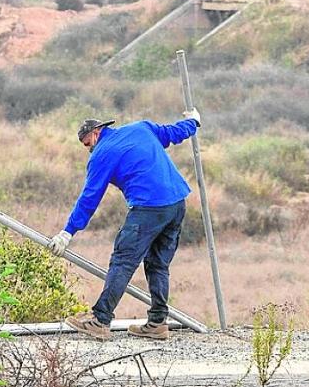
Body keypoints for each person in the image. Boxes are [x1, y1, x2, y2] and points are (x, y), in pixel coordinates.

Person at [48, 112, 200, 341]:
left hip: (148, 207)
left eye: (87, 144)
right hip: (177, 203)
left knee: (123, 261)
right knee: (158, 264)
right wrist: (193, 121)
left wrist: (67, 232)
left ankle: (100, 320)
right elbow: (173, 133)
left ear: (96, 133)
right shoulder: (141, 128)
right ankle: (157, 323)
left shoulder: (102, 154)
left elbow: (89, 198)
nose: (88, 149)